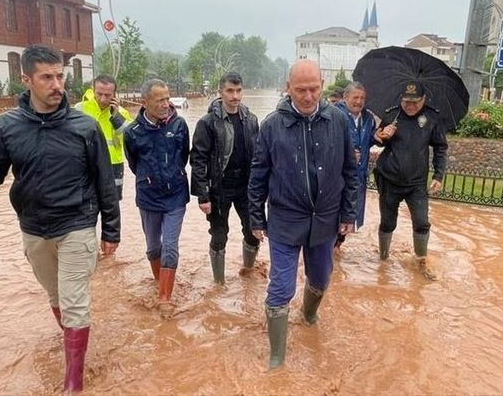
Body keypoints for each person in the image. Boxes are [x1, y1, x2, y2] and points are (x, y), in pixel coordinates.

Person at [0, 45, 120, 393]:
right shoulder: (7, 126)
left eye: (60, 76)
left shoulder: (85, 126)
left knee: (75, 300)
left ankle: (73, 382)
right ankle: (72, 344)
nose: (56, 84)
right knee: (54, 295)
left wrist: (111, 229)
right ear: (26, 79)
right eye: (47, 77)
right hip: (33, 226)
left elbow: (104, 180)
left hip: (77, 224)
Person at [248, 60, 358, 369]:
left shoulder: (338, 121)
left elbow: (350, 171)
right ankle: (277, 357)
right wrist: (256, 217)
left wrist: (348, 213)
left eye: (313, 89)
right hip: (285, 218)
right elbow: (258, 174)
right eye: (300, 90)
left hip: (325, 218)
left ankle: (309, 315)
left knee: (321, 277)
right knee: (282, 286)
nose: (308, 97)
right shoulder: (272, 125)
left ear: (322, 86)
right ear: (288, 88)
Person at [124, 78, 190, 318]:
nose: (166, 104)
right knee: (153, 248)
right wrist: (150, 178)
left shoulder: (180, 125)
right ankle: (159, 280)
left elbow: (183, 157)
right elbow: (134, 164)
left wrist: (172, 175)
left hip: (176, 196)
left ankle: (164, 298)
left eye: (167, 98)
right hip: (149, 197)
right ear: (145, 102)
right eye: (160, 100)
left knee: (170, 247)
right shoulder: (132, 132)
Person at [190, 71, 260, 284]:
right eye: (230, 91)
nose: (235, 96)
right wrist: (202, 195)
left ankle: (248, 270)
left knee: (253, 231)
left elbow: (259, 157)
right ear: (220, 92)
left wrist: (261, 188)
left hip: (246, 187)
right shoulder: (208, 123)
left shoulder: (251, 120)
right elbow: (198, 159)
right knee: (219, 235)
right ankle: (218, 282)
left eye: (238, 91)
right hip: (219, 187)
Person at [373, 81, 447, 281]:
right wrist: (381, 135)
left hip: (416, 183)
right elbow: (375, 139)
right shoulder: (392, 115)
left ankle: (421, 261)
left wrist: (439, 175)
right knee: (388, 223)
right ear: (401, 99)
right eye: (406, 101)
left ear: (424, 100)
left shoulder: (432, 118)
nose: (410, 106)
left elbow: (441, 148)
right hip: (389, 179)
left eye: (415, 102)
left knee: (422, 223)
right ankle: (383, 260)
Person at [76, 75, 134, 254]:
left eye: (108, 95)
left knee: (111, 207)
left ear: (115, 94)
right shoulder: (80, 109)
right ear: (93, 90)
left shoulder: (122, 114)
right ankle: (88, 249)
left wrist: (115, 117)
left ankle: (109, 251)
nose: (103, 99)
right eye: (99, 94)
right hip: (86, 167)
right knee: (86, 207)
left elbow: (131, 141)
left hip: (113, 168)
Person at [334, 81, 376, 249]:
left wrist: (378, 137)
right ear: (345, 97)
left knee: (348, 219)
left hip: (358, 178)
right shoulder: (334, 115)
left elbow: (367, 140)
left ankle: (336, 251)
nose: (359, 102)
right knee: (333, 219)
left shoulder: (368, 118)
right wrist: (345, 154)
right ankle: (328, 257)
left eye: (362, 98)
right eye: (355, 97)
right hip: (337, 178)